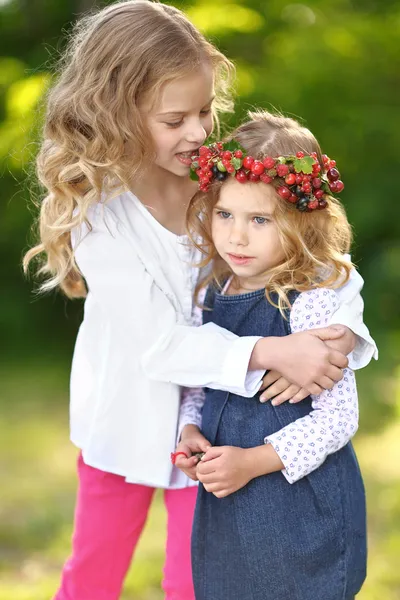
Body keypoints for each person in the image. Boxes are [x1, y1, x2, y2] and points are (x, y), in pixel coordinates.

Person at [23, 2, 376, 599]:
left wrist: (338, 330)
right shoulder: (101, 216)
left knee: (196, 582)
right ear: (117, 113)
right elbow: (162, 345)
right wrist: (274, 351)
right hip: (126, 421)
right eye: (174, 118)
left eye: (205, 110)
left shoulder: (220, 190)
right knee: (93, 577)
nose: (197, 131)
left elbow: (313, 256)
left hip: (214, 432)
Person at [175, 110, 372, 600]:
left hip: (300, 510)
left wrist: (253, 461)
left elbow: (338, 418)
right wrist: (191, 428)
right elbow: (201, 382)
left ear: (304, 221)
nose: (236, 236)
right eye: (225, 214)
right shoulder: (213, 292)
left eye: (260, 220)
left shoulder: (312, 301)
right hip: (231, 512)